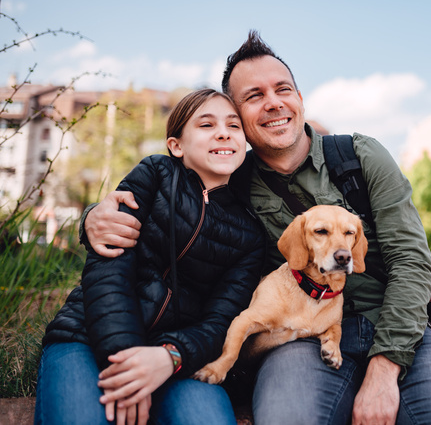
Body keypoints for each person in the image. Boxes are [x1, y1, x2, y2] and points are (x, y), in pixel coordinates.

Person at [82, 31, 431, 424]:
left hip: (397, 329)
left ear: (300, 99)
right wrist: (93, 219)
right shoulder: (230, 180)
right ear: (238, 117)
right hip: (296, 337)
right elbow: (163, 206)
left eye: (283, 89)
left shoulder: (361, 157)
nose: (273, 103)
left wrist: (385, 367)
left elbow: (411, 262)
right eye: (254, 96)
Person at [35, 89, 265, 425]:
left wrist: (169, 357)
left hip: (176, 357)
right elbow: (108, 270)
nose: (223, 132)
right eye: (206, 124)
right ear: (176, 145)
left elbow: (220, 323)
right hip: (85, 336)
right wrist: (128, 364)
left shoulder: (250, 235)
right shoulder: (153, 174)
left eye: (234, 126)